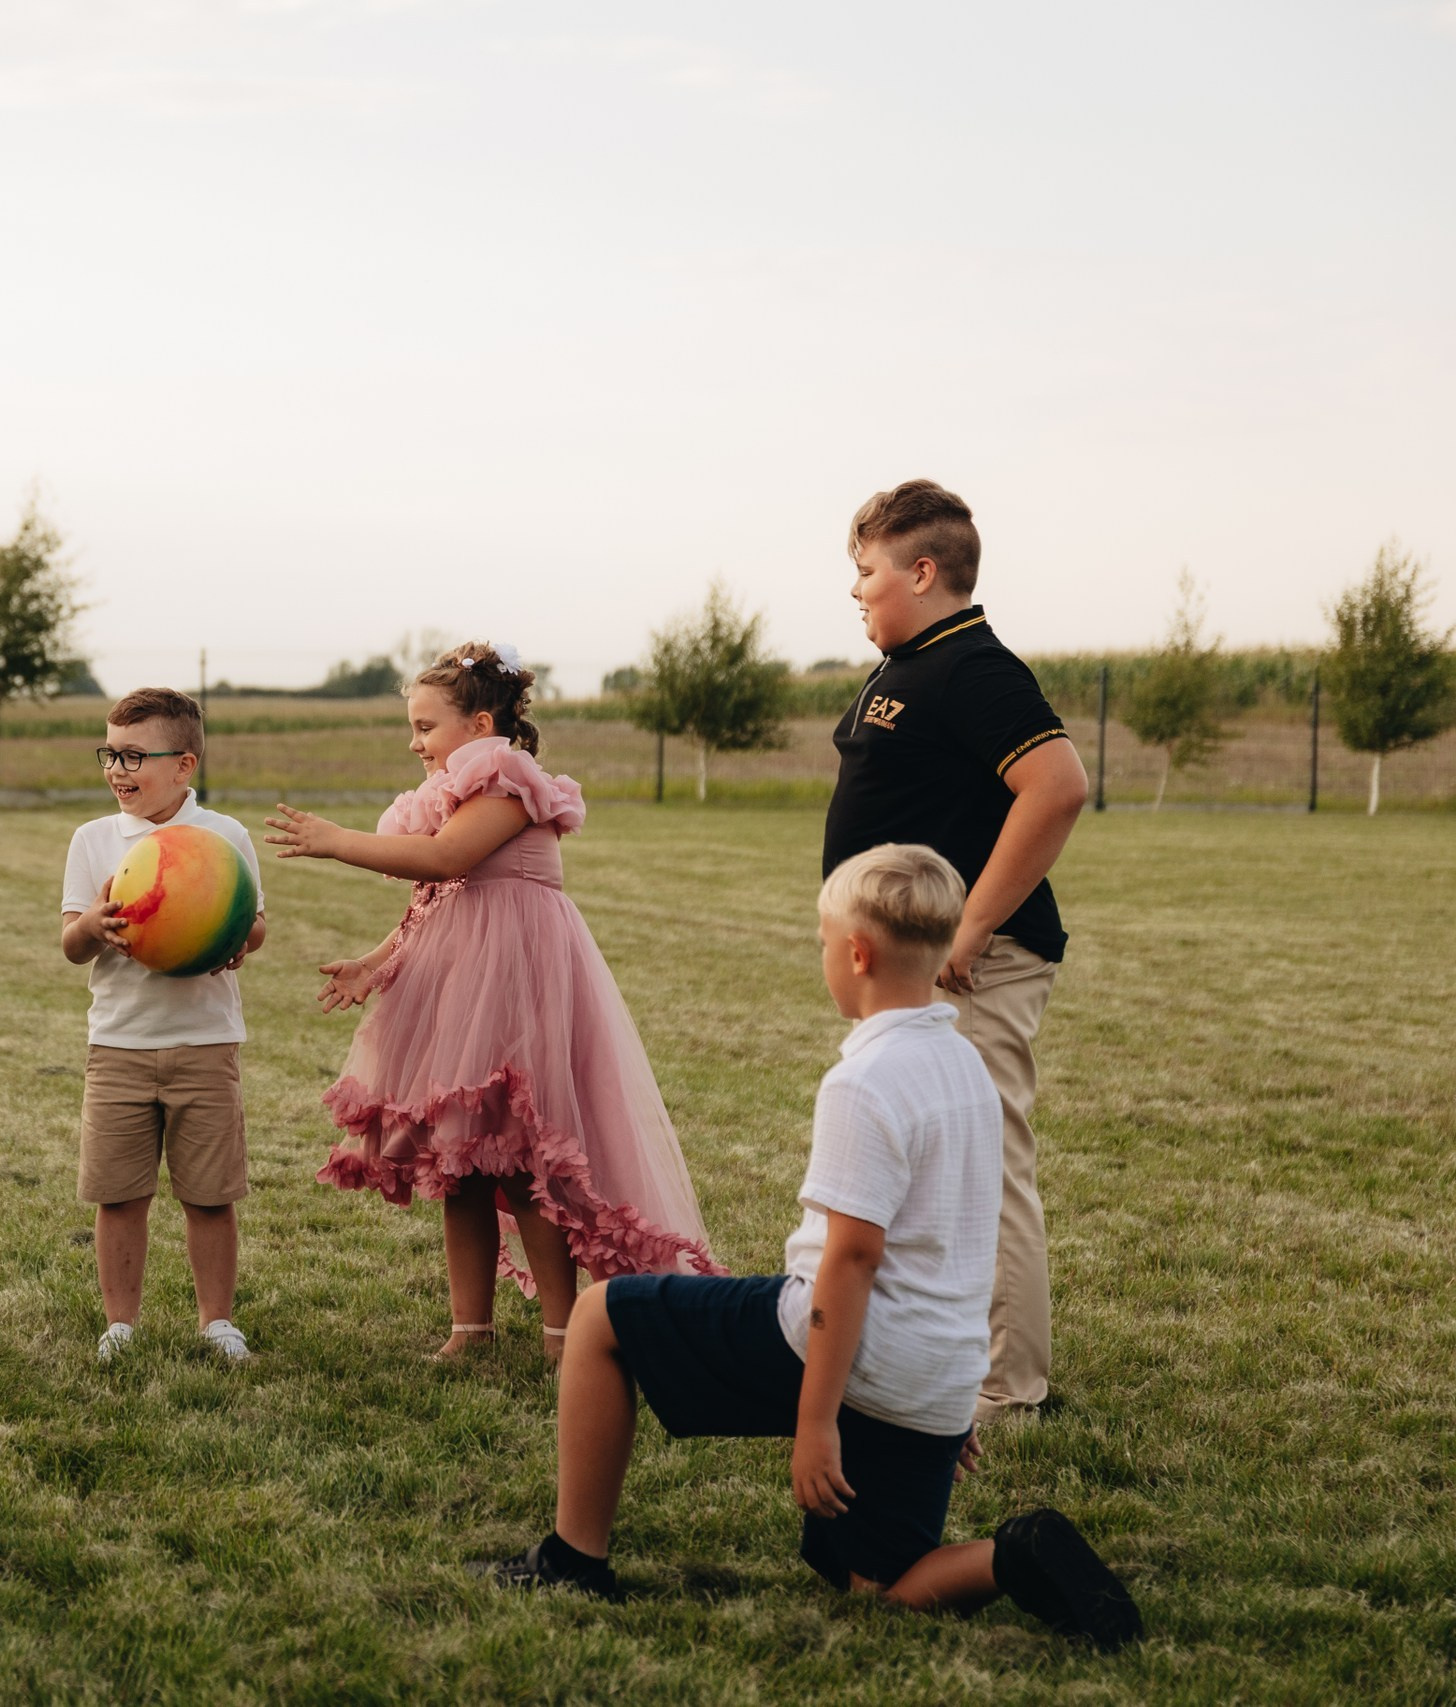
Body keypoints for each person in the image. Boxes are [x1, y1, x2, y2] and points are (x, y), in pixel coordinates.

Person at [473, 844, 1140, 1652]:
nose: (822, 957)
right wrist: (946, 1390)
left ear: (856, 953)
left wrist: (815, 1420)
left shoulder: (864, 1081)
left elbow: (850, 1260)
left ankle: (573, 1558)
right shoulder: (967, 1064)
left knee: (601, 1316)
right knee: (878, 1589)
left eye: (823, 942)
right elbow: (963, 1241)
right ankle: (1013, 1556)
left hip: (853, 1359)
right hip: (936, 1373)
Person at [265, 642, 717, 1364]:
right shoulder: (453, 794)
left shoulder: (508, 782)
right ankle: (469, 1328)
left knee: (520, 1158)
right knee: (462, 1163)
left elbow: (446, 859)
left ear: (479, 725)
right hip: (460, 984)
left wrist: (337, 841)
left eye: (426, 727)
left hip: (516, 982)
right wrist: (375, 963)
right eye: (411, 728)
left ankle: (565, 1334)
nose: (415, 742)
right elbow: (436, 897)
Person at [827, 480, 1089, 1423]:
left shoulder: (973, 665)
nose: (855, 589)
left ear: (922, 571)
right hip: (911, 967)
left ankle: (1008, 1389)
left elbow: (1057, 785)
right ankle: (928, 1357)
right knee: (919, 1164)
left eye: (867, 571)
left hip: (972, 964)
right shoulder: (909, 663)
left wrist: (968, 927)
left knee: (985, 1164)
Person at [61, 688, 267, 1366]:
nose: (116, 769)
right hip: (118, 1044)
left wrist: (237, 939)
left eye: (133, 757)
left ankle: (218, 1321)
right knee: (119, 1195)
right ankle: (120, 1324)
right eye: (109, 754)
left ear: (184, 765)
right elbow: (71, 944)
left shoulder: (224, 837)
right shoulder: (94, 840)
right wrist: (93, 926)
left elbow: (254, 922)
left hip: (205, 1042)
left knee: (210, 1195)